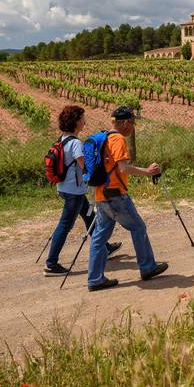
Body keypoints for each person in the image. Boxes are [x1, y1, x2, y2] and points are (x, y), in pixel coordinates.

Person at [87, 105, 168, 291]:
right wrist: (148, 172)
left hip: (100, 194)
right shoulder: (118, 140)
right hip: (116, 195)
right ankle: (147, 268)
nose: (132, 126)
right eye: (131, 122)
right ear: (123, 122)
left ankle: (94, 279)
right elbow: (123, 168)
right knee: (138, 227)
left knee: (99, 237)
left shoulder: (103, 138)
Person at [45, 105, 120, 276]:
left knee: (89, 217)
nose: (85, 121)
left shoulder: (62, 139)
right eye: (83, 118)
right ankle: (51, 264)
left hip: (65, 188)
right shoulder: (76, 144)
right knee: (65, 225)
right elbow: (86, 167)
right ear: (76, 122)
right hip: (75, 192)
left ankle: (105, 248)